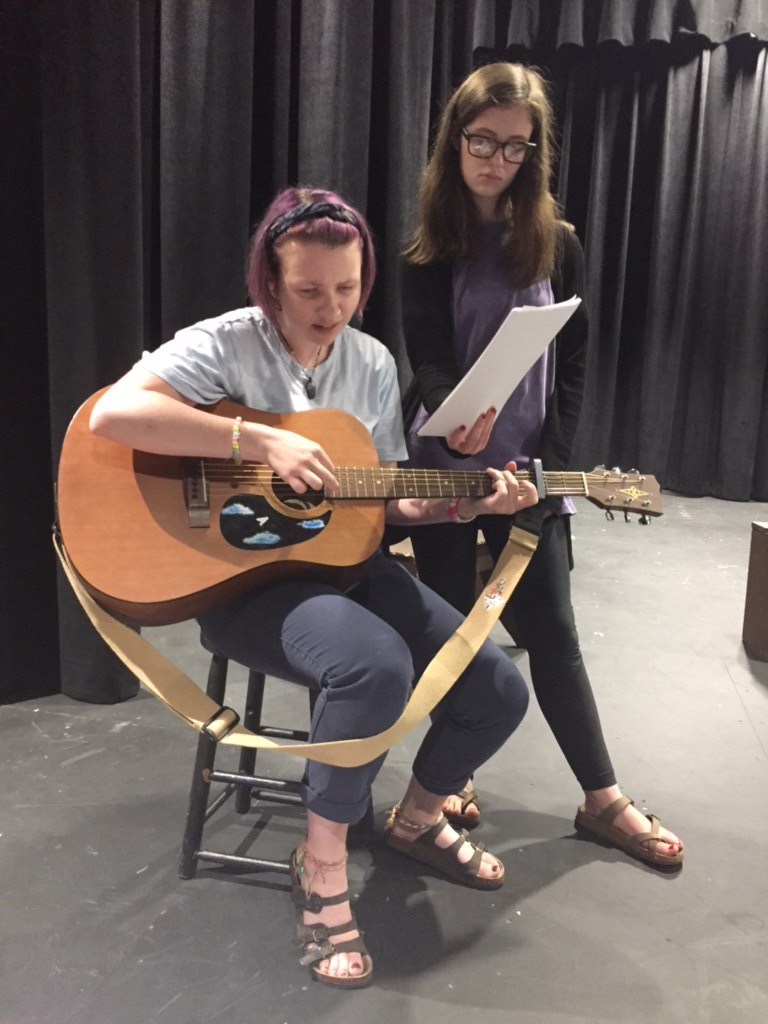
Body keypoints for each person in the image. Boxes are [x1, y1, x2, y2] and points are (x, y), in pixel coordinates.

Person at [89, 186, 539, 989]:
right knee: (373, 666)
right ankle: (320, 864)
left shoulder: (368, 363)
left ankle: (418, 819)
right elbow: (112, 419)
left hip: (344, 566)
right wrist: (255, 437)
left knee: (498, 687)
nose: (330, 308)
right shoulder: (228, 343)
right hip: (240, 584)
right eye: (308, 291)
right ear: (271, 280)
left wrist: (465, 497)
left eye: (346, 289)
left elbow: (388, 498)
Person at [400, 62, 684, 868]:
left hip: (529, 474)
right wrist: (456, 425)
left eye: (516, 147)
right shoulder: (427, 252)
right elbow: (424, 363)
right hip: (449, 475)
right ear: (456, 140)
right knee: (454, 633)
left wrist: (551, 466)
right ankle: (450, 780)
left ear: (534, 154)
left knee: (554, 633)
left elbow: (577, 360)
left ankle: (603, 799)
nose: (496, 159)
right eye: (482, 141)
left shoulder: (559, 245)